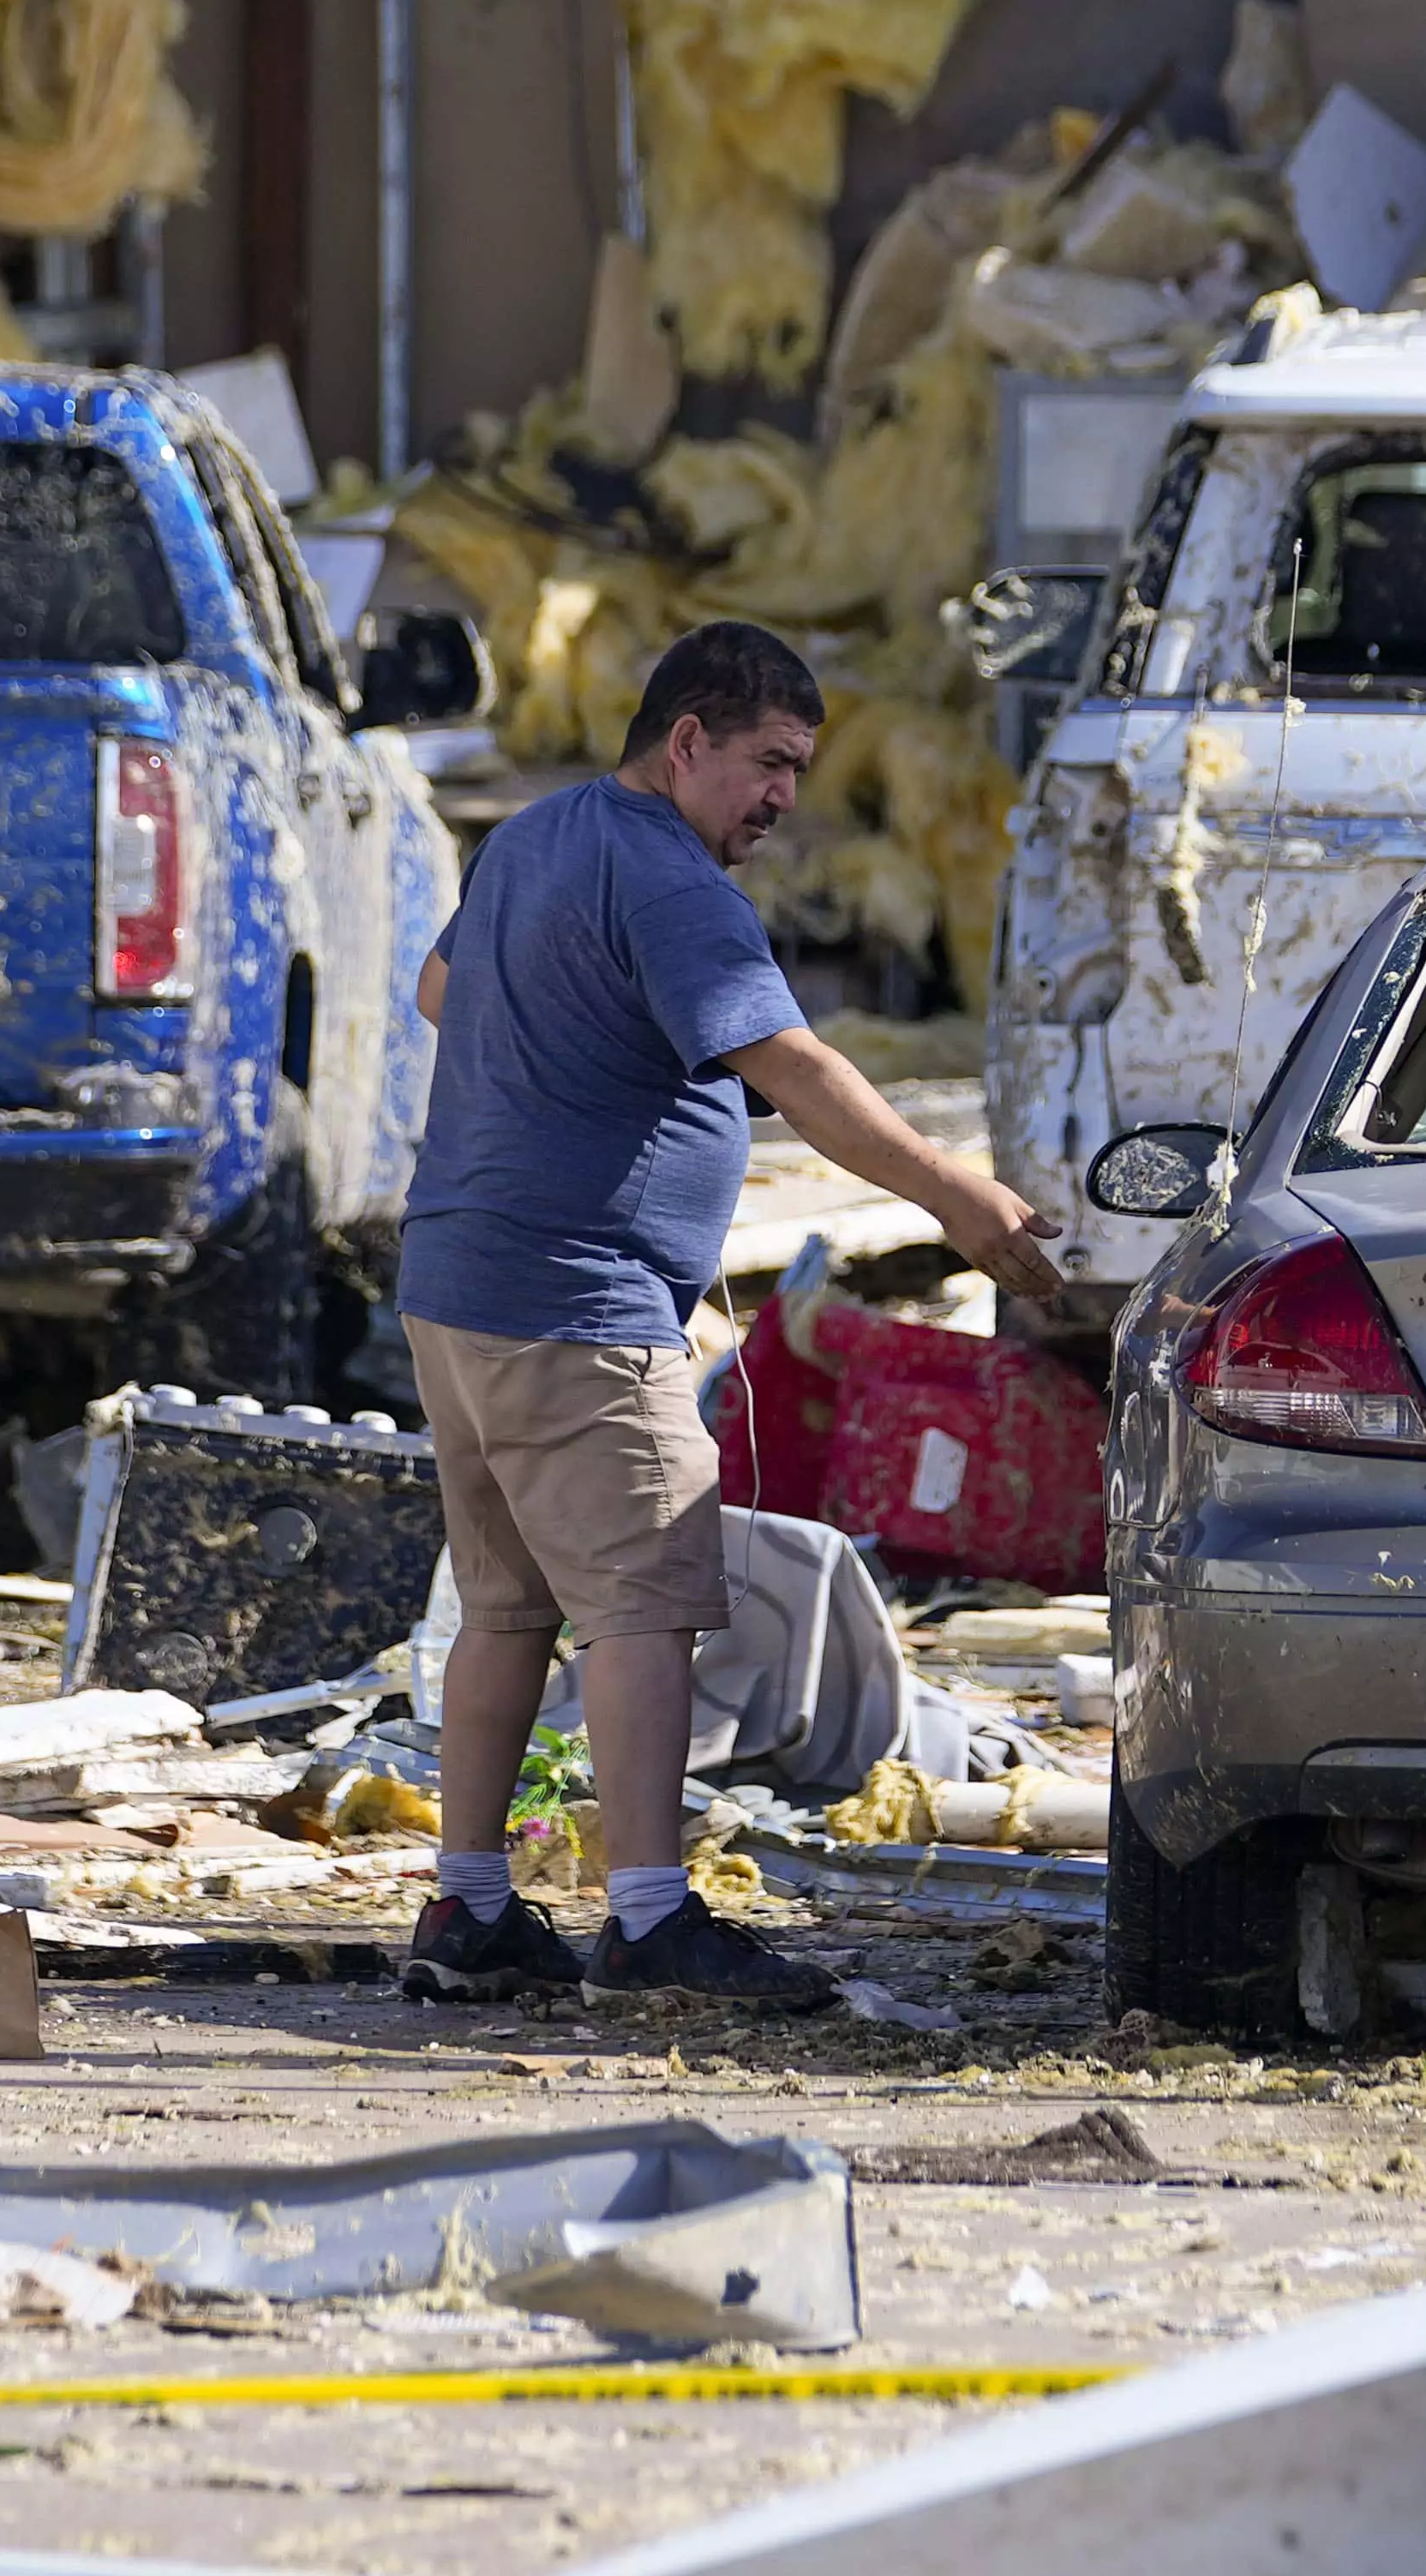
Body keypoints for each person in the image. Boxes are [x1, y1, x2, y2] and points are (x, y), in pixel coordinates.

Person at [387, 617, 1060, 2004]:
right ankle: (642, 1919)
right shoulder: (670, 880)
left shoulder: (532, 836)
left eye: (799, 772)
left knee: (505, 1613)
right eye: (768, 762)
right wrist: (961, 1201)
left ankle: (466, 1909)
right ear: (685, 739)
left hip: (456, 1289)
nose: (781, 800)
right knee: (642, 1607)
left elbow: (441, 987)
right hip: (576, 1303)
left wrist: (576, 1059)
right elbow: (797, 1066)